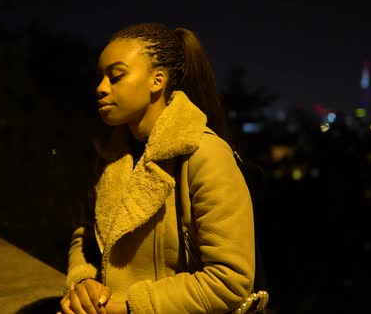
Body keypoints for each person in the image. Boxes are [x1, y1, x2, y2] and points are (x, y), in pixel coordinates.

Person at [59, 22, 255, 314]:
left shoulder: (204, 155)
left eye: (116, 76)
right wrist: (84, 286)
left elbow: (230, 280)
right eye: (100, 77)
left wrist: (127, 307)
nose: (101, 88)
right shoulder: (109, 155)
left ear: (157, 80)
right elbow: (85, 235)